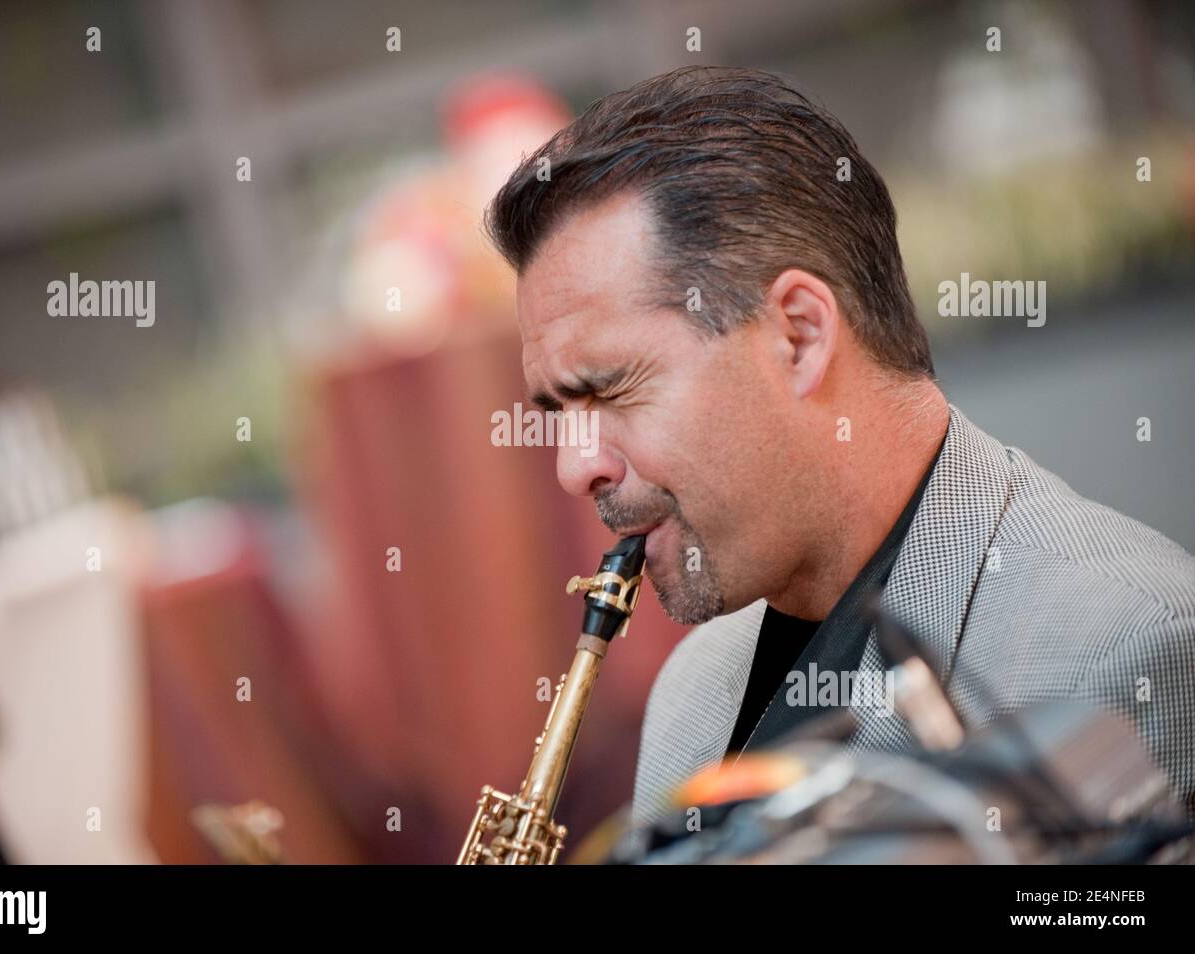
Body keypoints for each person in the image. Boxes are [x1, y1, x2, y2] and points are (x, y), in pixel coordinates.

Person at [482, 66, 1195, 826]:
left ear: (799, 334)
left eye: (612, 388)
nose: (573, 466)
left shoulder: (1125, 650)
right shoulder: (690, 693)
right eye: (559, 410)